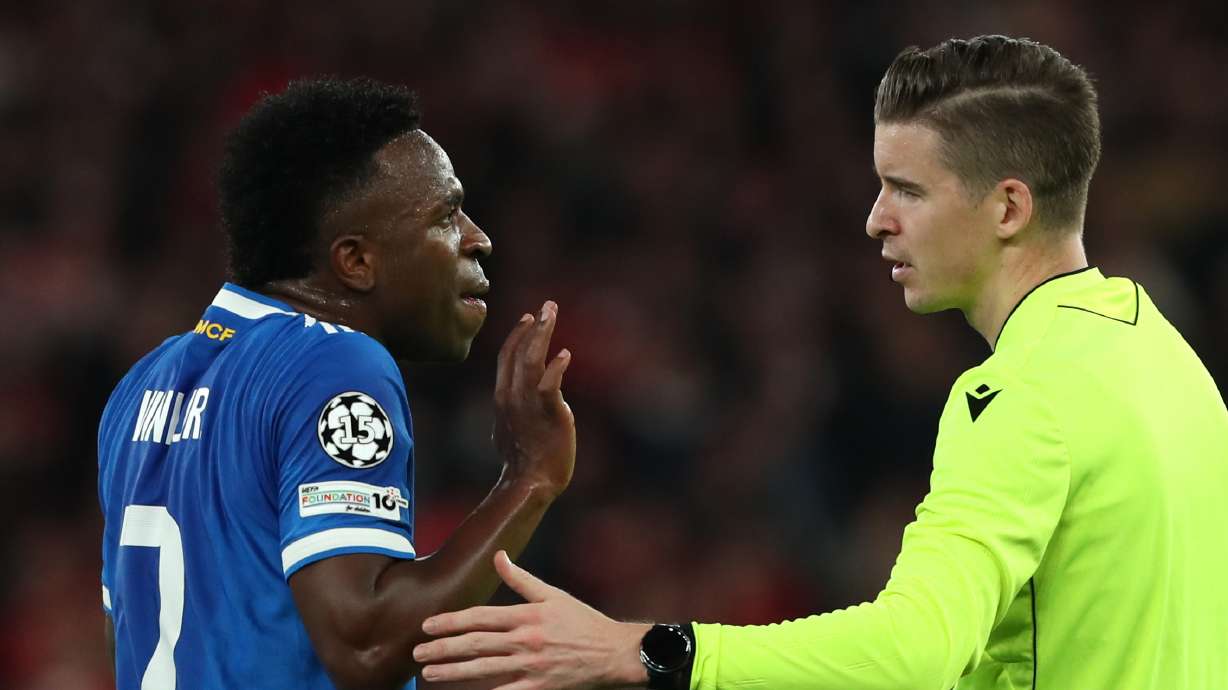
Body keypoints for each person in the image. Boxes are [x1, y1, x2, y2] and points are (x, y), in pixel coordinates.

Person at [411, 35, 1228, 690]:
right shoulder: (1167, 357)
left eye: (907, 189)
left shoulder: (1020, 395)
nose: (876, 221)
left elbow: (917, 652)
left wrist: (640, 650)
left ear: (1008, 206)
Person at [97, 78, 577, 690]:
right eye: (446, 215)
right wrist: (529, 477)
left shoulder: (141, 385)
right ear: (355, 261)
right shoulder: (333, 364)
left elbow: (128, 633)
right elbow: (367, 645)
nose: (477, 239)